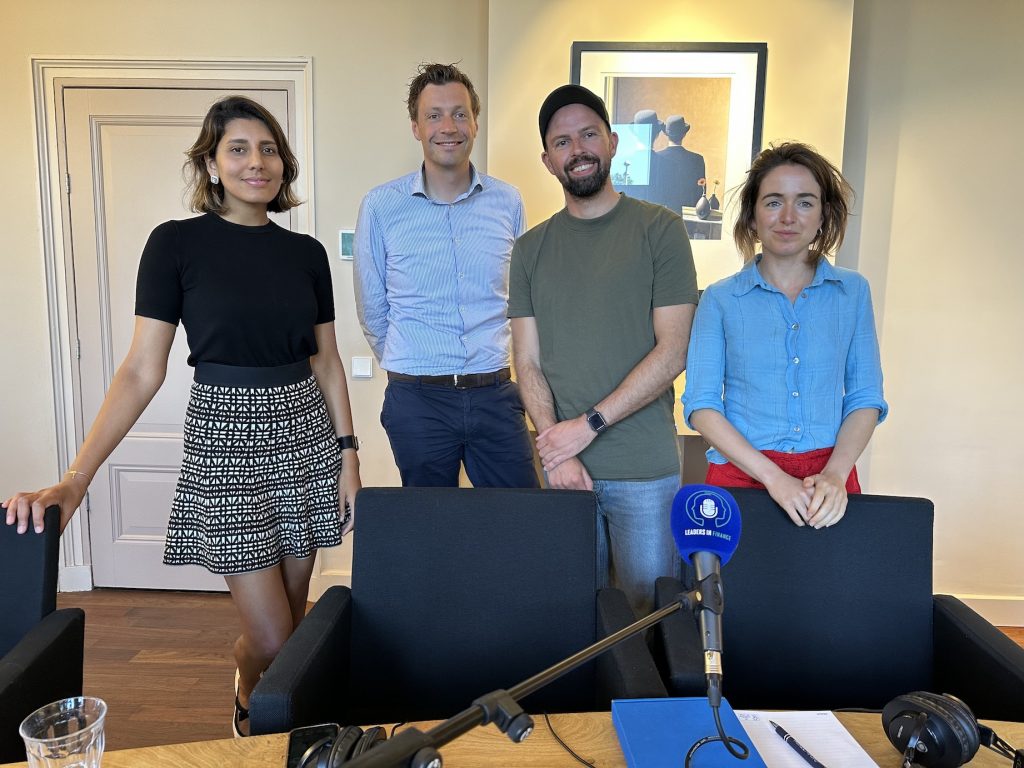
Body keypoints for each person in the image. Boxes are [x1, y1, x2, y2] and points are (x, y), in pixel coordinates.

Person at [2, 96, 361, 738]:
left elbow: (328, 362)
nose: (258, 162)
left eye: (269, 149)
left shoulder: (306, 253)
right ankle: (253, 707)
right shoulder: (175, 244)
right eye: (239, 149)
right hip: (227, 439)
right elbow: (142, 369)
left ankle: (264, 699)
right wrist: (75, 479)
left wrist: (348, 455)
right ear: (212, 165)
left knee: (297, 628)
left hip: (306, 437)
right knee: (276, 640)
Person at [509, 85, 699, 615]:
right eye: (563, 142)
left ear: (613, 143)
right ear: (548, 161)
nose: (579, 149)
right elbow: (526, 360)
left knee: (650, 616)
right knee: (573, 615)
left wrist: (585, 427)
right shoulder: (529, 250)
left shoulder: (661, 230)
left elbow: (674, 350)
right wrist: (556, 448)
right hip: (564, 470)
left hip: (645, 469)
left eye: (589, 134)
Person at [682, 142, 887, 529]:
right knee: (736, 590)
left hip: (830, 478)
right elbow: (701, 405)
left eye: (805, 202)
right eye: (774, 201)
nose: (788, 217)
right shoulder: (721, 299)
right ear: (753, 215)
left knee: (833, 587)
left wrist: (836, 474)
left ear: (825, 214)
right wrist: (774, 478)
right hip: (741, 474)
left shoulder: (854, 292)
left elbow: (865, 397)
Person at [354, 63, 538, 489]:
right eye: (433, 115)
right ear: (416, 127)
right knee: (430, 531)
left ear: (475, 121)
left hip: (495, 393)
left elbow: (521, 299)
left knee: (520, 523)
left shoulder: (508, 202)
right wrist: (414, 366)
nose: (448, 126)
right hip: (418, 399)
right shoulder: (381, 206)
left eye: (459, 113)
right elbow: (373, 310)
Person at [653, 115, 706, 213]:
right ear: (684, 134)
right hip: (689, 216)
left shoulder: (657, 158)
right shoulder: (697, 159)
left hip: (661, 214)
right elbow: (701, 192)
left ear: (666, 134)